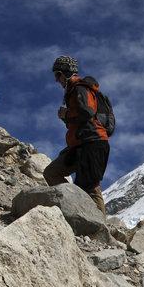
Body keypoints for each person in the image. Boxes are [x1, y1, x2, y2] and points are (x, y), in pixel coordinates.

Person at [44, 55, 110, 214]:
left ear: (64, 73)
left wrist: (66, 114)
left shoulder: (80, 88)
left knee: (90, 187)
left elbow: (87, 112)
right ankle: (73, 209)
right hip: (81, 144)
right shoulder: (75, 90)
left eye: (57, 75)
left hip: (93, 143)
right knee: (52, 172)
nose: (56, 80)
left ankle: (100, 230)